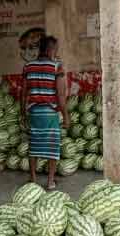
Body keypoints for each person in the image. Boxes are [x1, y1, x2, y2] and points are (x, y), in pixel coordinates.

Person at [21, 35, 69, 190]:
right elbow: (61, 96)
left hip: (34, 112)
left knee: (34, 145)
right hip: (49, 113)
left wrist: (23, 113)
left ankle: (33, 179)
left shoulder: (28, 66)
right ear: (51, 49)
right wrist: (66, 117)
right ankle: (50, 181)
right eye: (56, 49)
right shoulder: (57, 67)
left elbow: (23, 93)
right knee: (52, 146)